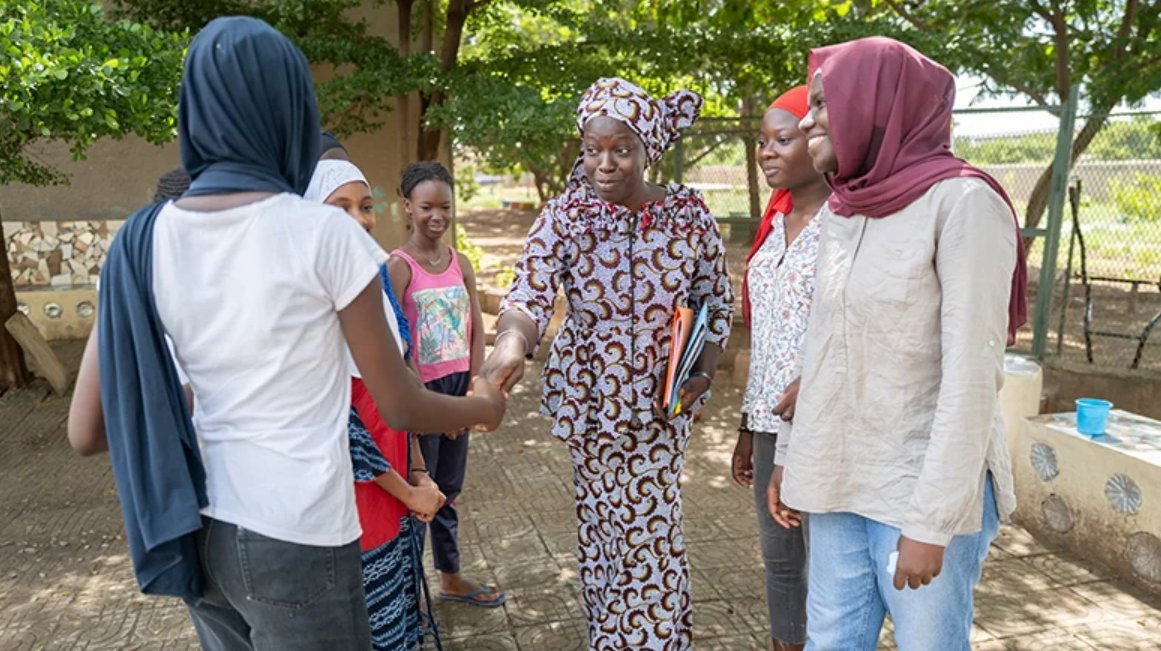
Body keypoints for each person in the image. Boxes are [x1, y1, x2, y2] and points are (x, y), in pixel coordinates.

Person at [66, 16, 504, 651]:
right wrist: (483, 406)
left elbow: (87, 433)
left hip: (195, 531)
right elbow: (400, 402)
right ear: (294, 114)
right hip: (299, 537)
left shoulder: (138, 242)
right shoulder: (323, 235)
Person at [767, 37, 1026, 650]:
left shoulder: (962, 202)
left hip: (916, 487)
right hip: (837, 475)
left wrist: (932, 524)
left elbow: (970, 374)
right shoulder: (846, 206)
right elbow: (822, 347)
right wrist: (791, 456)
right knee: (830, 642)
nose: (808, 121)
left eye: (825, 103)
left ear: (877, 104)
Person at [479, 77, 733, 650]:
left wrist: (703, 372)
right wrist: (510, 345)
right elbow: (529, 291)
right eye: (592, 149)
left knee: (652, 528)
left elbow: (716, 300)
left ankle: (657, 641)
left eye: (621, 149)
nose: (605, 163)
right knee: (602, 529)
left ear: (648, 149)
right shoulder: (565, 216)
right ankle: (611, 638)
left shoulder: (689, 215)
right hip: (590, 402)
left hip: (663, 404)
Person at [304, 159, 442, 651]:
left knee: (403, 619)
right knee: (375, 629)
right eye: (339, 207)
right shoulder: (311, 307)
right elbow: (344, 429)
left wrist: (421, 472)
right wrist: (408, 492)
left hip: (402, 495)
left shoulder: (371, 285)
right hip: (359, 509)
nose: (360, 219)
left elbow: (401, 387)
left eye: (365, 206)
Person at [731, 85, 828, 651]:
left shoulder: (846, 225)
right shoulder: (773, 230)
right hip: (769, 423)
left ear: (815, 139)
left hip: (823, 417)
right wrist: (747, 427)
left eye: (782, 139)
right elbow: (764, 338)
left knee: (828, 561)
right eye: (761, 142)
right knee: (780, 561)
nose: (766, 152)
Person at [387, 162, 503, 608]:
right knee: (422, 492)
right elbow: (397, 343)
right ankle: (406, 593)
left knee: (450, 490)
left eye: (445, 206)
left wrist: (473, 389)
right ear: (407, 209)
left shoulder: (461, 263)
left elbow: (475, 328)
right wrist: (434, 407)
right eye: (426, 207)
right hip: (421, 395)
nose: (437, 215)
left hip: (458, 388)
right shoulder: (398, 267)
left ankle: (451, 577)